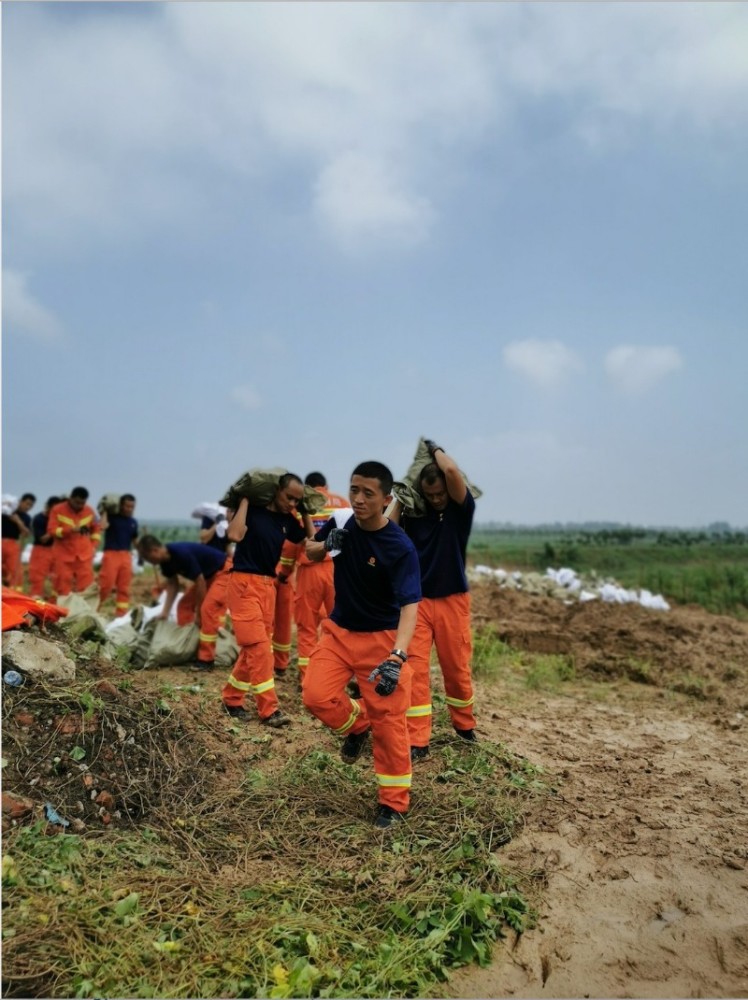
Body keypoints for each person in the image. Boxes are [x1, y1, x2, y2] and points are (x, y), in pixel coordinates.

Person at [302, 461, 421, 829]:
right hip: (339, 633)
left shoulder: (399, 547)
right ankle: (357, 725)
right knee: (315, 696)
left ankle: (394, 804)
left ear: (386, 499)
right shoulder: (341, 520)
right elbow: (309, 551)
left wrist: (397, 656)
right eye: (354, 489)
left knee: (389, 724)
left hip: (381, 640)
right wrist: (324, 545)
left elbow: (410, 606)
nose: (358, 498)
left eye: (368, 493)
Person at [390, 440, 478, 762]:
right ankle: (418, 740)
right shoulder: (413, 515)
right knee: (414, 671)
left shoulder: (459, 511)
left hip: (453, 600)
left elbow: (452, 471)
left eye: (440, 493)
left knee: (456, 668)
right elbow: (387, 527)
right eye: (430, 495)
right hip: (417, 604)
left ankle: (464, 726)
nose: (437, 499)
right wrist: (403, 494)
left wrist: (434, 449)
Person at [221, 473, 313, 728]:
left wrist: (304, 512)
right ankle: (269, 709)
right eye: (289, 498)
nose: (292, 503)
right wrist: (245, 500)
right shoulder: (253, 512)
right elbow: (234, 535)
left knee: (254, 648)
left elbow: (311, 540)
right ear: (276, 491)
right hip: (243, 585)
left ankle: (231, 698)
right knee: (260, 648)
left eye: (297, 500)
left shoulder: (287, 520)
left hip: (267, 587)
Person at [137, 536, 230, 669]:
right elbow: (173, 585)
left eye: (148, 558)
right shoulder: (165, 562)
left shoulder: (180, 554)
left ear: (154, 551)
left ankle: (206, 660)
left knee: (207, 610)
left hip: (224, 571)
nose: (150, 562)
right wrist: (165, 612)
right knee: (184, 606)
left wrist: (198, 614)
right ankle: (189, 641)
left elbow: (200, 582)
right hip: (208, 577)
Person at [291, 472, 349, 680]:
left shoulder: (300, 505)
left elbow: (292, 543)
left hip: (309, 570)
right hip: (337, 569)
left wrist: (285, 571)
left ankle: (308, 677)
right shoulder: (341, 502)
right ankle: (337, 674)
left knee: (307, 626)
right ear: (326, 485)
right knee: (339, 625)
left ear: (307, 487)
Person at [48, 488, 101, 597]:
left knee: (86, 587)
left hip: (84, 556)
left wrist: (94, 546)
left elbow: (96, 529)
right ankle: (59, 607)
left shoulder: (90, 511)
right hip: (63, 555)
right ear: (70, 498)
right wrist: (70, 530)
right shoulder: (57, 510)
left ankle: (83, 607)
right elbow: (52, 530)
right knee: (61, 586)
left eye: (82, 503)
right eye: (77, 502)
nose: (79, 506)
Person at [98, 494, 139, 616]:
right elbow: (102, 526)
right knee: (106, 585)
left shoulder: (133, 522)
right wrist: (104, 510)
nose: (130, 509)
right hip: (111, 554)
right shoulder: (111, 518)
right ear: (121, 506)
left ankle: (121, 615)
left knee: (124, 588)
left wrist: (144, 551)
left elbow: (135, 541)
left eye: (132, 507)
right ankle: (93, 609)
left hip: (126, 556)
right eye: (127, 506)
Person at [28, 496, 61, 599]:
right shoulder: (39, 519)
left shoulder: (58, 519)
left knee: (56, 579)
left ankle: (53, 604)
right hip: (41, 550)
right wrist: (55, 530)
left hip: (56, 551)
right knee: (37, 579)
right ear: (48, 507)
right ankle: (35, 603)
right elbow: (43, 539)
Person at [2, 493, 35, 589]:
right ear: (20, 501)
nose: (28, 507)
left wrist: (18, 521)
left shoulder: (26, 518)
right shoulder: (5, 510)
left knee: (15, 571)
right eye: (27, 504)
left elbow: (26, 534)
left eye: (31, 505)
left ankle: (14, 592)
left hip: (12, 543)